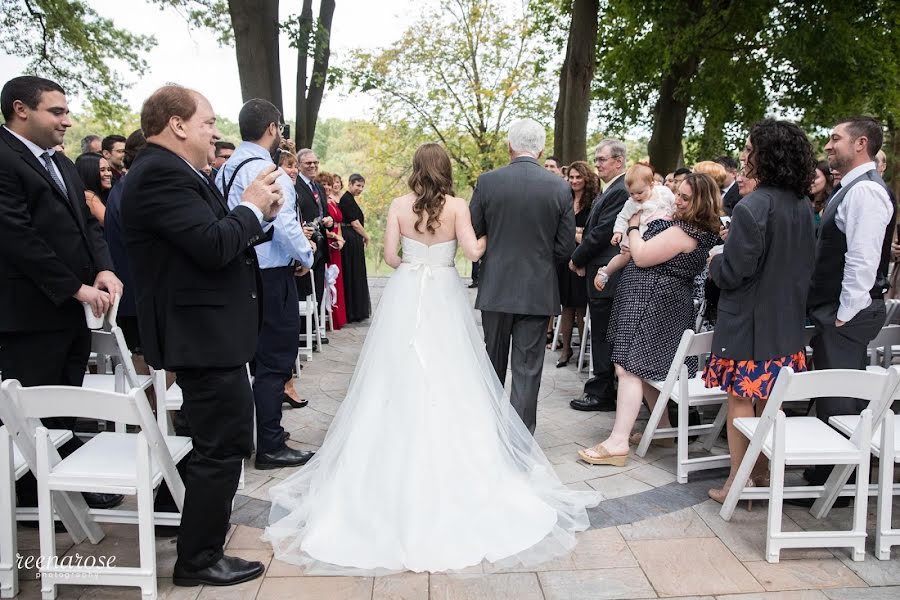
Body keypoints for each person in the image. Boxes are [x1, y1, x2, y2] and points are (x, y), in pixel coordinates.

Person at [265, 142, 599, 573]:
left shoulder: (399, 205)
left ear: (415, 169)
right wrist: (491, 234)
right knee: (453, 370)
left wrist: (413, 257)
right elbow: (475, 253)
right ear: (444, 171)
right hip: (443, 291)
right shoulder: (458, 206)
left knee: (393, 372)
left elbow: (388, 257)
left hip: (408, 291)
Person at [121, 84, 286, 587]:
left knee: (216, 439)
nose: (216, 131)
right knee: (224, 443)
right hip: (201, 335)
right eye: (209, 121)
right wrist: (252, 205)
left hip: (208, 331)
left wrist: (262, 218)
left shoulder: (178, 173)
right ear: (177, 124)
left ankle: (196, 534)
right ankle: (198, 558)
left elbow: (212, 237)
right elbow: (213, 246)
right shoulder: (158, 176)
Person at [0, 75, 124, 512]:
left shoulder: (64, 163)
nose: (67, 121)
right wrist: (75, 287)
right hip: (29, 313)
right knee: (34, 412)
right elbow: (16, 236)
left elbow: (87, 225)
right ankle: (35, 495)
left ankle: (62, 483)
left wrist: (105, 269)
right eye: (57, 111)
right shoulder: (4, 158)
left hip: (71, 309)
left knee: (65, 403)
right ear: (21, 109)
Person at [702, 119, 817, 504]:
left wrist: (716, 257)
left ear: (766, 155)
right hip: (785, 324)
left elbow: (733, 273)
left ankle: (738, 480)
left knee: (740, 402)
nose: (744, 155)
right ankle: (763, 472)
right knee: (771, 402)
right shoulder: (801, 203)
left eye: (749, 149)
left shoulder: (753, 206)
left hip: (749, 324)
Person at [577, 173, 721, 466]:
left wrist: (631, 226)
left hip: (651, 302)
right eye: (677, 194)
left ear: (701, 202)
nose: (677, 200)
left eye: (685, 197)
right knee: (640, 367)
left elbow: (641, 256)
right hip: (656, 300)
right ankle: (665, 427)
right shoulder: (691, 228)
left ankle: (617, 443)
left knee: (628, 368)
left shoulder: (683, 231)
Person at [216, 98, 315, 469]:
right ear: (273, 128)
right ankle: (270, 443)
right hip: (271, 274)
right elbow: (285, 226)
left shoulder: (226, 169)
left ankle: (257, 430)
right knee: (275, 360)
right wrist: (306, 255)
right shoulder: (268, 172)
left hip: (237, 271)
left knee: (251, 358)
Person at [803, 116, 896, 491]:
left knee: (840, 400)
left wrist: (844, 314)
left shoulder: (866, 192)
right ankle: (830, 474)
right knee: (831, 395)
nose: (828, 146)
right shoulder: (853, 187)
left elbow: (863, 258)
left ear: (860, 144)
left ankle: (840, 485)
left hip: (845, 313)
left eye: (835, 138)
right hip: (837, 310)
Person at [471, 118, 575, 434]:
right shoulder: (560, 186)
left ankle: (487, 432)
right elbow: (565, 246)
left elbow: (475, 232)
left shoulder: (487, 182)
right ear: (541, 150)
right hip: (538, 290)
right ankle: (519, 441)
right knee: (528, 369)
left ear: (509, 146)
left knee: (492, 363)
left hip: (496, 288)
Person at [568, 139, 629, 412]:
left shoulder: (621, 189)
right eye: (596, 158)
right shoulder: (611, 189)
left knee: (604, 335)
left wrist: (577, 257)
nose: (597, 164)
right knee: (602, 333)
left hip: (608, 275)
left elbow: (604, 232)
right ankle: (603, 387)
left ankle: (601, 392)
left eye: (602, 159)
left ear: (618, 161)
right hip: (601, 272)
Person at [554, 161, 597, 368]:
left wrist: (574, 233)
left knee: (580, 306)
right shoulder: (565, 198)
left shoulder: (593, 203)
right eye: (571, 177)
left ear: (586, 178)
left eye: (578, 177)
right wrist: (576, 233)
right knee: (566, 306)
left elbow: (590, 235)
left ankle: (580, 351)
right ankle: (565, 350)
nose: (574, 181)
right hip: (563, 258)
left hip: (582, 258)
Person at [295, 148, 331, 340]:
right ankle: (302, 331)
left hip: (321, 244)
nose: (313, 166)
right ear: (299, 165)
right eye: (308, 163)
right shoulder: (295, 185)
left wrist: (329, 220)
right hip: (305, 244)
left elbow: (323, 211)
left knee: (318, 288)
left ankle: (314, 330)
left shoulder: (317, 187)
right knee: (304, 290)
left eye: (315, 163)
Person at [610, 163, 676, 252]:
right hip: (643, 235)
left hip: (667, 230)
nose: (636, 197)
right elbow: (622, 217)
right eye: (631, 193)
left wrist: (675, 215)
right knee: (624, 255)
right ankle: (609, 267)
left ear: (651, 185)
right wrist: (618, 232)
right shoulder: (632, 203)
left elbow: (674, 204)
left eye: (640, 193)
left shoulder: (663, 193)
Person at [339, 173, 372, 322]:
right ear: (350, 184)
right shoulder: (346, 199)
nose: (360, 189)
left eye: (362, 186)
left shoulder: (350, 199)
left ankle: (356, 310)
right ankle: (353, 311)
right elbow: (355, 223)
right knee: (352, 272)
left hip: (353, 239)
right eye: (358, 185)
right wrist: (367, 236)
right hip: (350, 239)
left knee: (356, 272)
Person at [317, 171, 347, 329]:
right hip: (327, 242)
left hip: (336, 243)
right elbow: (321, 227)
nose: (327, 187)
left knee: (336, 280)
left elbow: (338, 225)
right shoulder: (322, 203)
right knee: (328, 281)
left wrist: (340, 239)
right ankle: (327, 319)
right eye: (324, 184)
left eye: (329, 184)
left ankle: (336, 317)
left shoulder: (332, 202)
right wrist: (335, 238)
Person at [75, 151, 113, 226]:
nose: (108, 174)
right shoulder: (89, 198)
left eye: (109, 169)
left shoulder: (108, 194)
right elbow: (113, 223)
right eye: (102, 170)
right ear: (89, 173)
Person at [809, 160, 834, 230]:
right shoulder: (803, 201)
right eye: (809, 177)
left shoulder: (831, 203)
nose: (811, 181)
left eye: (816, 177)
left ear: (827, 178)